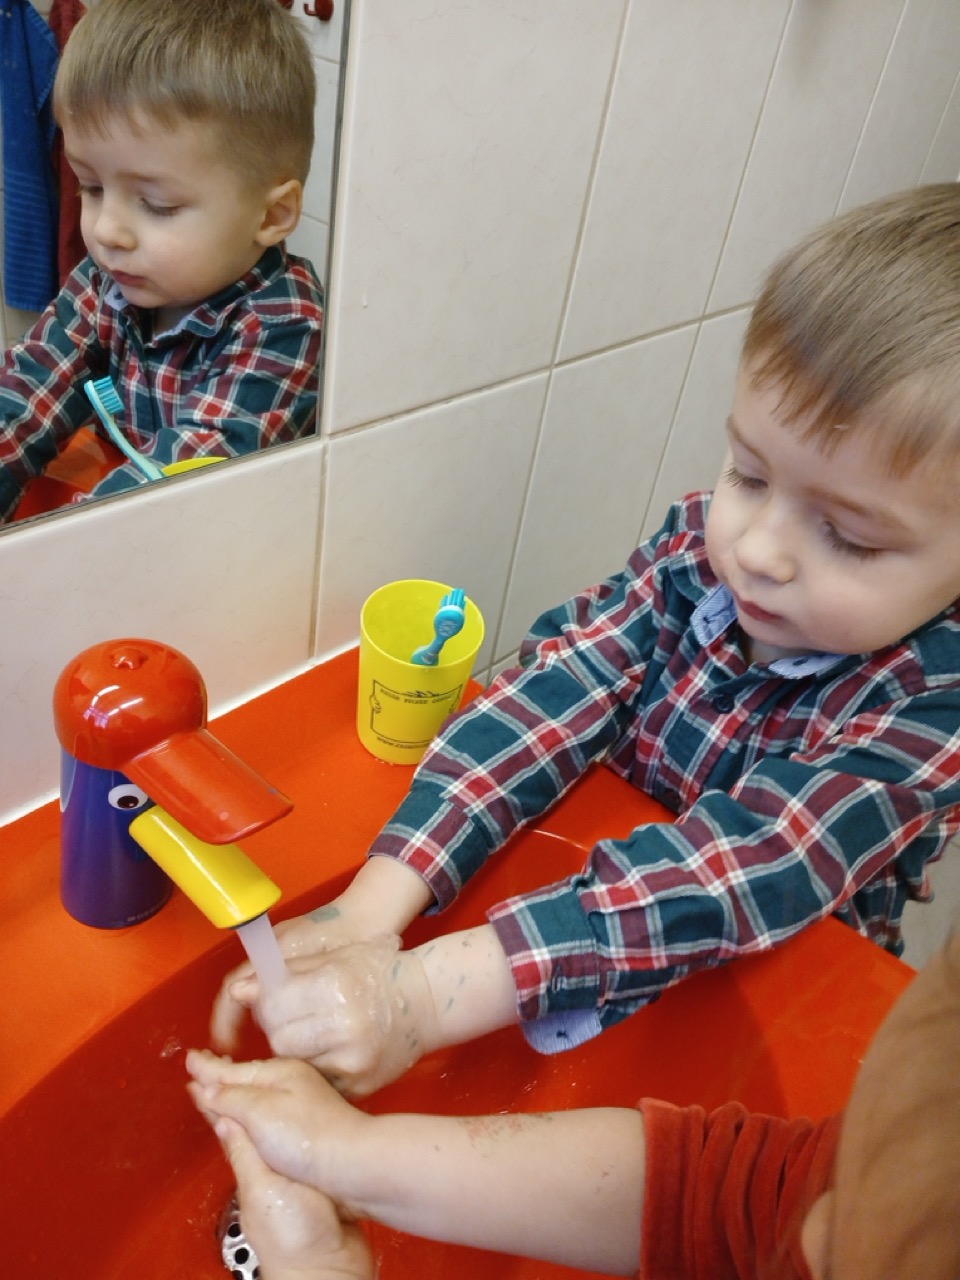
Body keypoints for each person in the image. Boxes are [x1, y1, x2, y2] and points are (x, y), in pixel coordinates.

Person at [213, 183, 960, 1093]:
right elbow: (554, 695)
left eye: (849, 537)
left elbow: (748, 866)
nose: (759, 551)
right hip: (593, 922)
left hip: (774, 1002)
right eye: (749, 475)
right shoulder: (695, 558)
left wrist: (424, 1000)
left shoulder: (934, 703)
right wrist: (376, 901)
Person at [189, 929, 960, 1280]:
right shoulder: (868, 1192)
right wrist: (350, 1157)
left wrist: (317, 1272)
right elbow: (717, 1199)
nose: (814, 1227)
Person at [0, 0, 324, 523]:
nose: (106, 231)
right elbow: (29, 393)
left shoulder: (286, 325)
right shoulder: (108, 282)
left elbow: (176, 492)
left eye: (157, 205)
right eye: (92, 187)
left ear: (272, 215)